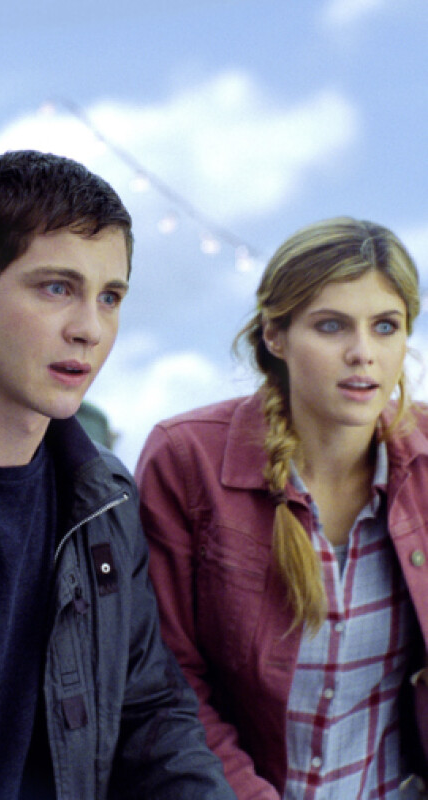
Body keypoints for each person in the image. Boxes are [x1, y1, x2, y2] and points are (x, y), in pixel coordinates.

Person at [0, 149, 238, 800]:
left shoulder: (106, 498)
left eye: (110, 297)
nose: (90, 329)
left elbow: (149, 711)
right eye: (56, 288)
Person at [135, 217, 428, 799]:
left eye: (385, 326)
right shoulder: (185, 459)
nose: (363, 354)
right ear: (275, 335)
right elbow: (168, 682)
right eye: (331, 326)